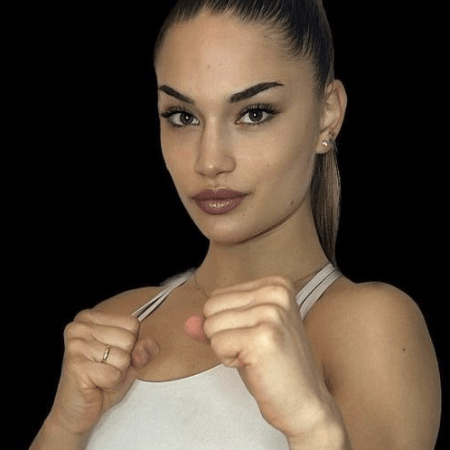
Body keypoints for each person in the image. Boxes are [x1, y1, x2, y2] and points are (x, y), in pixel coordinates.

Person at [30, 1, 441, 449]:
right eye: (183, 117)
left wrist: (311, 424)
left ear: (328, 113)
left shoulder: (371, 325)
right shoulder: (117, 323)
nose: (209, 161)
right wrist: (62, 427)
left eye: (254, 113)